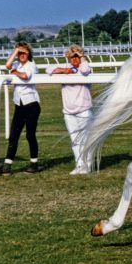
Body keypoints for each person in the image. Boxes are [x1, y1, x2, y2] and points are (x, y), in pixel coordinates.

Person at [46, 45, 93, 175]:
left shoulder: (86, 68)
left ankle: (87, 165)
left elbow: (85, 70)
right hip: (68, 111)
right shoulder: (66, 68)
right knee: (75, 140)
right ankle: (79, 165)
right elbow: (48, 69)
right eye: (72, 56)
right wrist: (63, 70)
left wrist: (82, 56)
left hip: (84, 109)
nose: (75, 59)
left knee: (85, 139)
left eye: (77, 56)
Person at [0, 42, 41, 175]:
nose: (22, 55)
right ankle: (7, 165)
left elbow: (25, 76)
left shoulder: (32, 65)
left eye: (24, 52)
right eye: (20, 53)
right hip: (19, 105)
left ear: (29, 54)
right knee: (13, 136)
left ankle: (34, 163)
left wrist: (14, 71)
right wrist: (16, 51)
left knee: (30, 135)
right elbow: (7, 65)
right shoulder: (16, 64)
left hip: (31, 105)